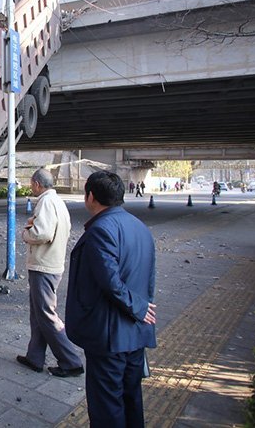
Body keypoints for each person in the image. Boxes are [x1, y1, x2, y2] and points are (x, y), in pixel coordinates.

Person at [65, 171, 157, 427]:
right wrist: (143, 311)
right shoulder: (140, 227)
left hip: (110, 336)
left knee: (107, 406)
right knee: (131, 400)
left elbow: (111, 282)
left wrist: (138, 307)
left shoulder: (101, 230)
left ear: (90, 196)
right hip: (135, 334)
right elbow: (148, 277)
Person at [17, 169, 84, 377]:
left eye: (31, 184)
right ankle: (34, 357)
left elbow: (42, 232)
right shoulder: (58, 201)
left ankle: (71, 362)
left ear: (37, 183)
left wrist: (26, 233)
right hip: (51, 264)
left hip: (43, 266)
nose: (31, 187)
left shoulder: (45, 202)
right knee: (37, 313)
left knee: (46, 315)